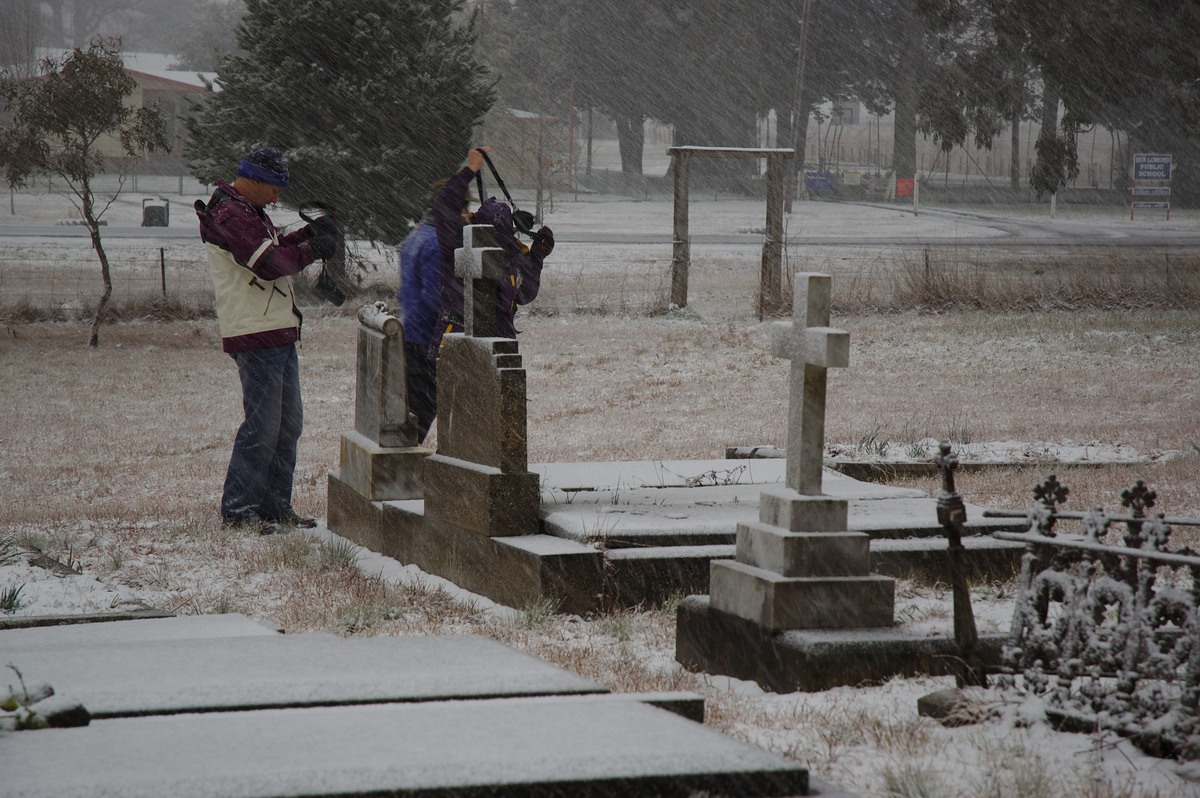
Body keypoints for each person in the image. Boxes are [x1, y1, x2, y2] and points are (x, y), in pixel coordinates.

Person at [195, 146, 339, 533]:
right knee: (263, 425)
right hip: (254, 332)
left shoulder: (249, 211)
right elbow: (270, 264)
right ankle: (240, 511)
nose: (278, 197)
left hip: (275, 329)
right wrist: (314, 249)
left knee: (287, 424)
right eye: (275, 188)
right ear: (253, 180)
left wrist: (312, 232)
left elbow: (277, 248)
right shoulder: (230, 214)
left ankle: (275, 506)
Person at [436, 146, 554, 341]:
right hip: (456, 340)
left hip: (499, 344)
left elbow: (524, 296)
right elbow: (444, 204)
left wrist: (536, 259)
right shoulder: (460, 244)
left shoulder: (511, 254)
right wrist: (471, 169)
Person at [396, 195, 443, 442]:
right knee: (422, 410)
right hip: (427, 336)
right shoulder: (436, 243)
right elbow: (435, 296)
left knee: (414, 407)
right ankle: (402, 467)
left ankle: (401, 461)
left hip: (411, 331)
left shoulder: (417, 236)